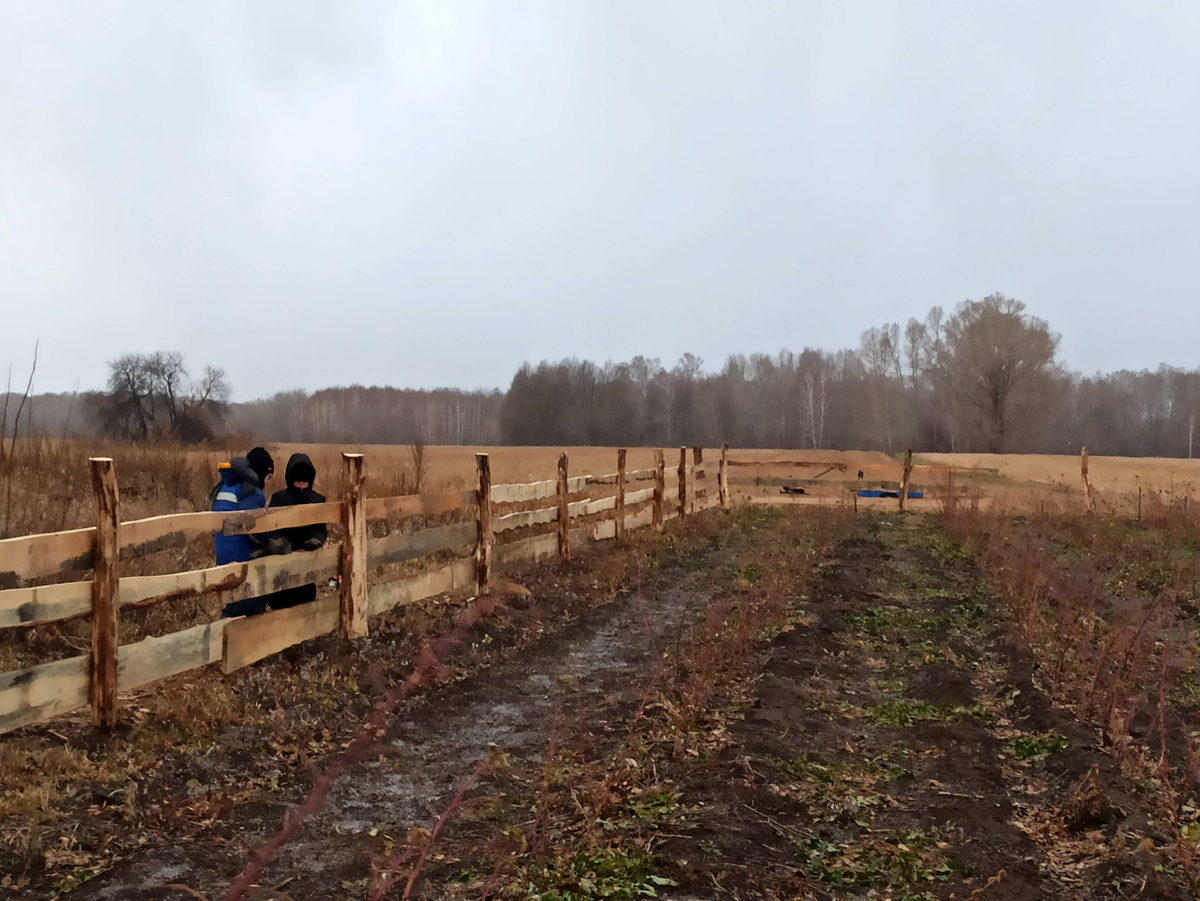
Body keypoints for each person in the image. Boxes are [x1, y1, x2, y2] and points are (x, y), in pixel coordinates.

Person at [258, 453, 329, 610]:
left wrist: (314, 542)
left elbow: (320, 529)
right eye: (298, 482)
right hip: (283, 560)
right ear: (290, 480)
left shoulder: (318, 500)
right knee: (281, 603)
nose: (301, 486)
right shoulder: (279, 498)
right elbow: (271, 529)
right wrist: (284, 546)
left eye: (304, 482)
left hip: (307, 559)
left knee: (306, 603)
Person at [214, 447, 276, 618]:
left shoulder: (224, 486)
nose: (269, 481)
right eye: (269, 476)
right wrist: (273, 544)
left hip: (224, 560)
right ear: (260, 473)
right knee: (250, 612)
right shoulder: (252, 492)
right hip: (245, 562)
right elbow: (255, 529)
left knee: (231, 608)